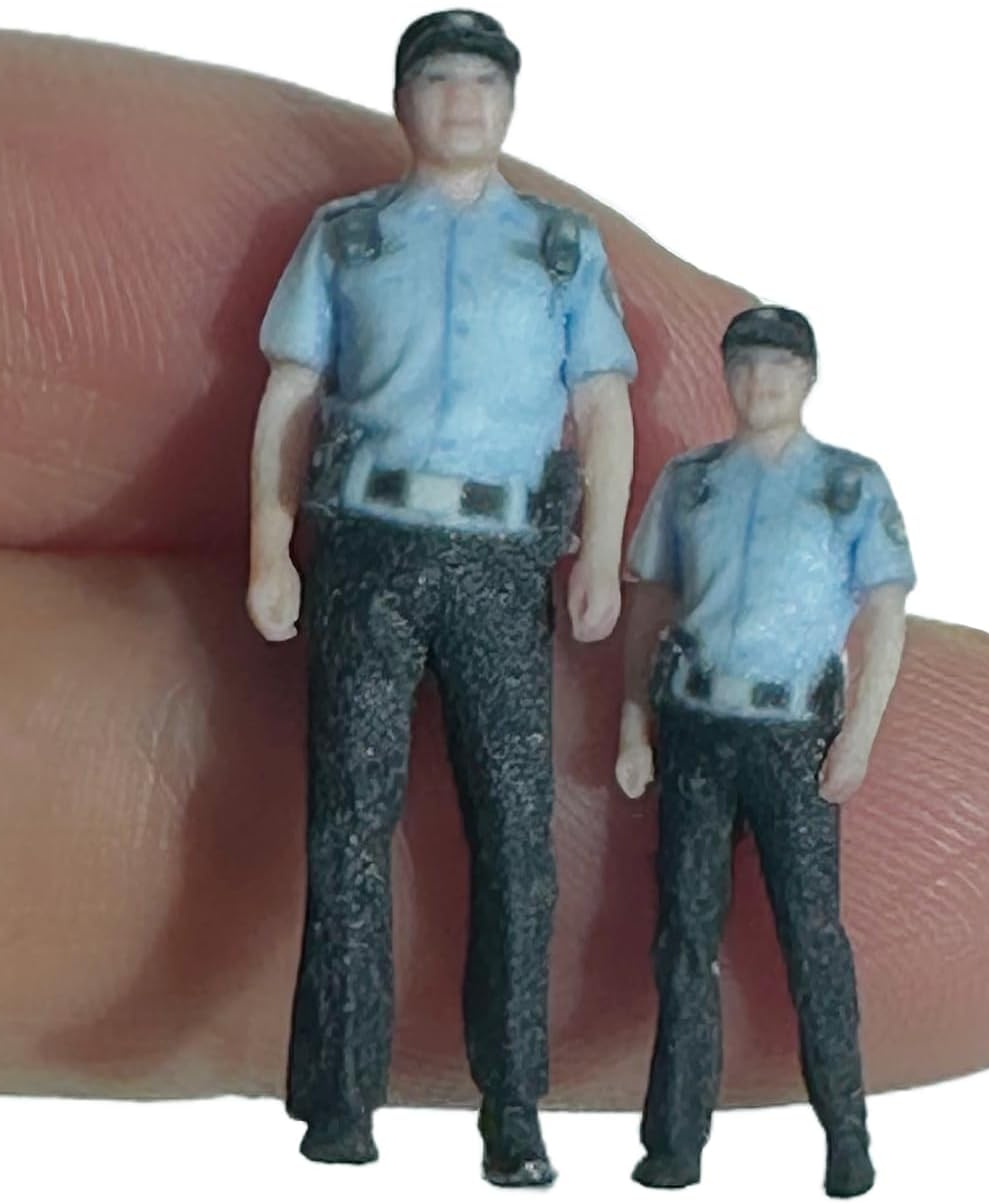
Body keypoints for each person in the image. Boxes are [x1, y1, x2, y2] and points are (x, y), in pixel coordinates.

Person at [247, 10, 637, 1187]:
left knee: (517, 832)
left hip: (500, 561)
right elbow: (289, 394)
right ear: (402, 99)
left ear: (510, 103)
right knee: (346, 824)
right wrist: (269, 544)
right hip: (365, 549)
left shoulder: (562, 247)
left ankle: (511, 1104)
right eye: (436, 80)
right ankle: (339, 1093)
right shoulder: (347, 236)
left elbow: (603, 407)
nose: (461, 101)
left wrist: (601, 555)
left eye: (482, 82)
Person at [616, 306, 915, 1197]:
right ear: (726, 376)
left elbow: (885, 618)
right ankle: (674, 1140)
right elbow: (649, 604)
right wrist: (632, 723)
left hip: (796, 739)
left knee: (813, 939)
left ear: (809, 378)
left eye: (780, 367)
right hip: (698, 729)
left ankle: (848, 1136)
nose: (761, 384)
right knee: (683, 938)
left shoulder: (850, 485)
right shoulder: (690, 482)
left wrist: (859, 737)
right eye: (745, 366)